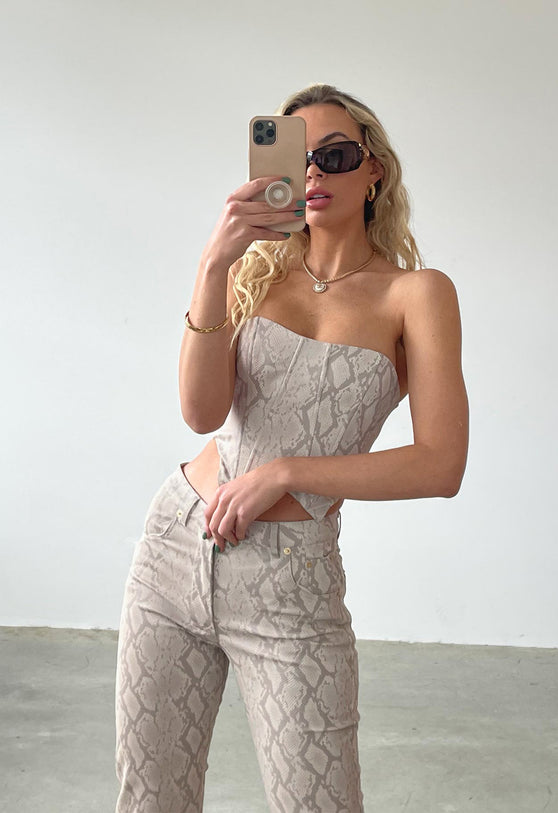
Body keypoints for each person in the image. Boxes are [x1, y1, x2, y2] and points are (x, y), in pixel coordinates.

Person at [114, 83, 469, 813]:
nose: (312, 172)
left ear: (374, 170)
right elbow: (201, 413)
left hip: (291, 587)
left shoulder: (416, 294)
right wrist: (215, 264)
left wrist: (285, 472)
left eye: (333, 155)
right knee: (152, 800)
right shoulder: (257, 271)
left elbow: (442, 463)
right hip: (175, 548)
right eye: (296, 158)